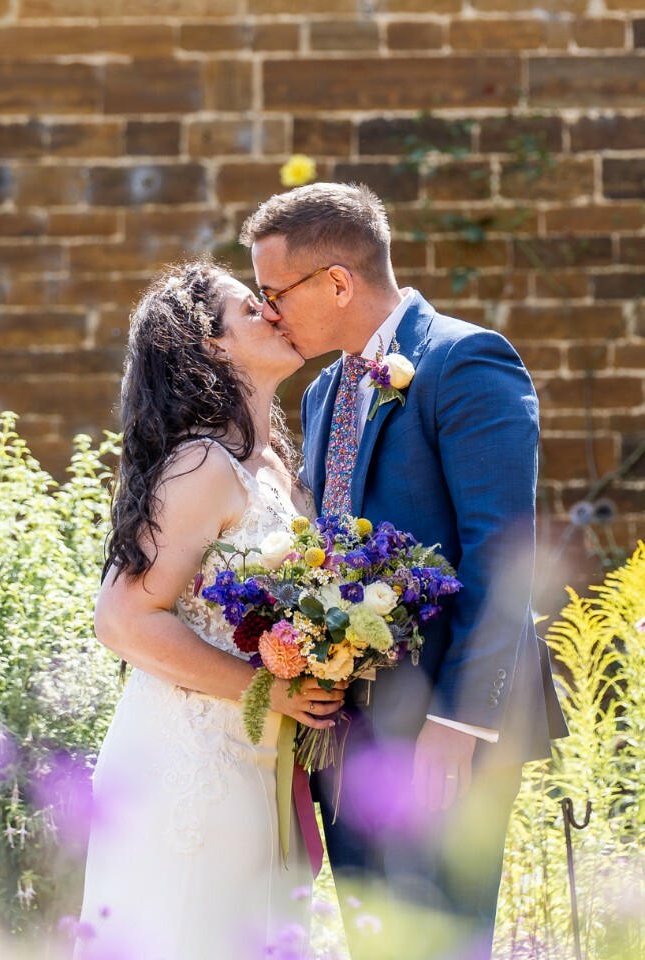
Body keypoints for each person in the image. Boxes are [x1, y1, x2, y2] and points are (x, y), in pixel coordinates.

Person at [240, 183, 568, 959]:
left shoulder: (466, 362)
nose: (270, 314)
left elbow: (503, 554)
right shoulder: (323, 391)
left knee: (443, 941)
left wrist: (458, 725)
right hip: (350, 733)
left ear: (338, 283)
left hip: (449, 726)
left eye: (273, 293)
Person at [74, 258, 347, 960]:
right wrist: (272, 691)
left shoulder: (275, 470)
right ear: (210, 346)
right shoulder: (200, 467)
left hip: (262, 757)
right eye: (250, 309)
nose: (274, 311)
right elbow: (124, 620)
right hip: (187, 762)